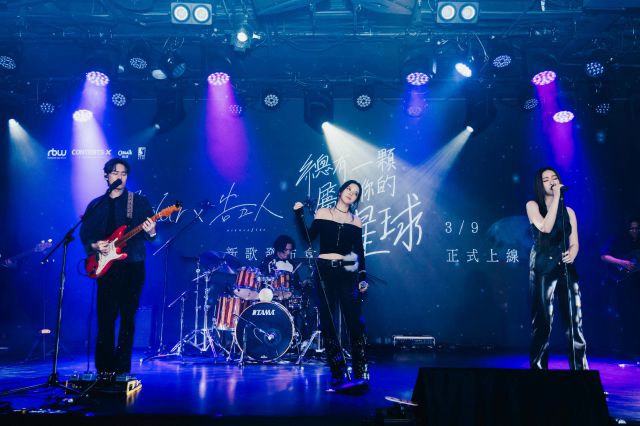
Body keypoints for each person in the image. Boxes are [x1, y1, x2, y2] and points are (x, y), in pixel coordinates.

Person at [80, 158, 157, 377]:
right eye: (115, 173)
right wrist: (96, 245)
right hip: (105, 268)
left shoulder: (138, 202)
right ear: (106, 176)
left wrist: (152, 231)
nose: (119, 177)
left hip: (132, 266)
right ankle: (104, 368)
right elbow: (85, 234)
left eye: (123, 173)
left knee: (127, 319)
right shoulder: (96, 204)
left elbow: (151, 237)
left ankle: (122, 368)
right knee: (105, 318)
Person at [294, 180, 370, 389]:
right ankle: (337, 371)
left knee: (354, 321)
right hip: (325, 270)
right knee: (328, 323)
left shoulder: (356, 221)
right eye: (349, 189)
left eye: (356, 193)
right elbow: (308, 237)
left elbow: (359, 251)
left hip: (347, 271)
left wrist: (362, 276)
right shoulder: (323, 213)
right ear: (341, 191)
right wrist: (299, 215)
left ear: (356, 199)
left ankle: (361, 369)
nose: (351, 193)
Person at [526, 167, 587, 370]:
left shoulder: (569, 212)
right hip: (543, 268)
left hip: (566, 269)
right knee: (543, 322)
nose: (552, 181)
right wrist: (556, 199)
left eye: (554, 178)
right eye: (546, 179)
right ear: (540, 184)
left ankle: (580, 371)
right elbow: (545, 227)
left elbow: (575, 241)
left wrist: (573, 252)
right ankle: (538, 371)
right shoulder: (532, 206)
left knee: (574, 321)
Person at [600, 217, 640, 356]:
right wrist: (623, 263)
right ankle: (624, 349)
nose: (634, 231)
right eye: (632, 228)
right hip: (621, 283)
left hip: (636, 283)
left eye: (637, 229)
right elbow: (604, 256)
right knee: (624, 315)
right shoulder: (617, 239)